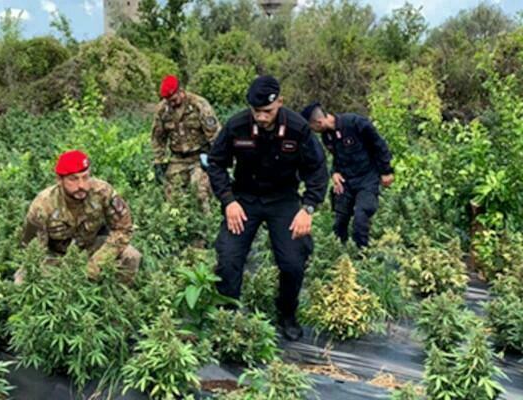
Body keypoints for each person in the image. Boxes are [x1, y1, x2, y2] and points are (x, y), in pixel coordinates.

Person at [207, 76, 329, 341]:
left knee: (293, 262)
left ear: (280, 103)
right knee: (228, 258)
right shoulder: (237, 125)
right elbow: (216, 163)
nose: (261, 117)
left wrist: (307, 207)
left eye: (267, 112)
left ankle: (287, 314)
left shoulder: (297, 128)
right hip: (244, 199)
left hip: (283, 200)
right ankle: (227, 317)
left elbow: (318, 169)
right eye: (256, 112)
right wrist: (228, 201)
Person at [17, 150, 142, 284]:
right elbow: (33, 248)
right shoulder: (43, 205)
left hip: (91, 248)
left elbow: (123, 229)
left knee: (131, 256)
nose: (81, 185)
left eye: (85, 177)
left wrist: (98, 262)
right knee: (22, 279)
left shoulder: (102, 191)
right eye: (73, 179)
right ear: (59, 180)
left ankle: (117, 297)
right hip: (57, 256)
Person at [301, 102, 395, 249]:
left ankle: (362, 254)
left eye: (312, 127)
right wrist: (335, 173)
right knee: (340, 221)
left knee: (361, 216)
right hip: (347, 180)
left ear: (318, 122)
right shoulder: (327, 137)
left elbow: (379, 145)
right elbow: (337, 157)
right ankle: (342, 254)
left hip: (367, 178)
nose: (313, 131)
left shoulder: (355, 123)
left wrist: (386, 171)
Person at [152, 75, 221, 212]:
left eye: (173, 100)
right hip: (178, 158)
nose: (171, 103)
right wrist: (159, 161)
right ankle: (179, 226)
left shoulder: (199, 105)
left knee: (200, 190)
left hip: (200, 156)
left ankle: (205, 226)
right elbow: (157, 138)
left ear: (181, 91)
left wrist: (217, 161)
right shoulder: (162, 111)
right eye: (167, 101)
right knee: (171, 194)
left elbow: (215, 136)